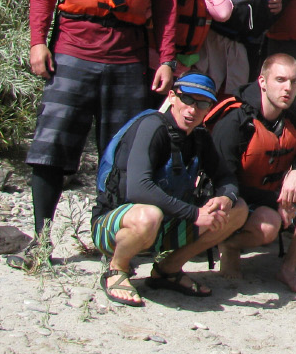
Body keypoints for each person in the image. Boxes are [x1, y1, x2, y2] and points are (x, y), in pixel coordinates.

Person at [26, 0, 177, 242]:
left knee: (121, 155)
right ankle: (41, 239)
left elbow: (166, 7)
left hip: (127, 61)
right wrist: (37, 42)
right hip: (73, 52)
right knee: (53, 146)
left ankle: (109, 240)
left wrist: (165, 59)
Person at [91, 73, 247, 306]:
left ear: (209, 109)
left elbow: (226, 177)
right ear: (172, 97)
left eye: (202, 103)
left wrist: (226, 196)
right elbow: (138, 189)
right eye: (187, 99)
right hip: (114, 225)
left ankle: (168, 270)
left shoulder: (199, 137)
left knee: (238, 208)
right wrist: (196, 214)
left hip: (164, 226)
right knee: (148, 215)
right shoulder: (151, 128)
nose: (192, 109)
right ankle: (117, 269)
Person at [209, 55, 296, 293]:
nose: (288, 88)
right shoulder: (235, 122)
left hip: (273, 199)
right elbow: (223, 181)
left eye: (294, 82)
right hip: (237, 202)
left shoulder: (294, 117)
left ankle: (288, 267)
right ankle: (229, 245)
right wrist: (278, 202)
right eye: (280, 80)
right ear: (262, 82)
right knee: (268, 225)